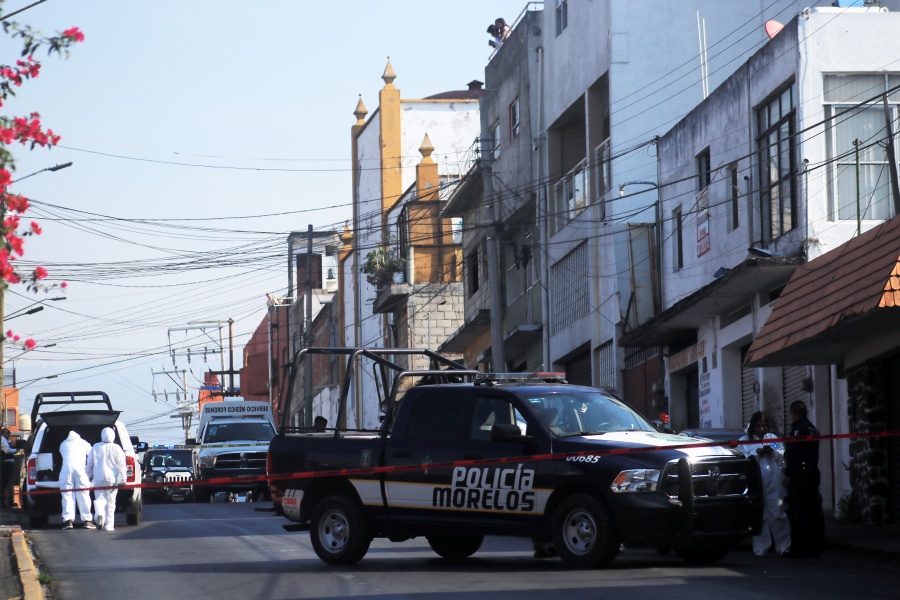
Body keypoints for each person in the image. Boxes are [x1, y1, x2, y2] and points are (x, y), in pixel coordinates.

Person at [737, 412, 790, 556]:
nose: (761, 429)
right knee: (760, 515)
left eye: (764, 426)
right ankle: (761, 547)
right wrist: (756, 453)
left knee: (777, 513)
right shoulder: (744, 441)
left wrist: (772, 452)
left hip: (773, 480)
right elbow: (741, 459)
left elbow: (781, 457)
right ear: (753, 426)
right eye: (759, 426)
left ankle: (783, 546)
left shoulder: (773, 439)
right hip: (756, 481)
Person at [782, 400, 825, 558]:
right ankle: (815, 545)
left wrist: (788, 474)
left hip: (801, 475)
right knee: (814, 509)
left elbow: (794, 455)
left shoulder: (797, 431)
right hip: (813, 472)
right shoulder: (813, 429)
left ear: (793, 413)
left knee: (801, 511)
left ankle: (803, 546)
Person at [86, 427, 126, 531]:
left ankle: (100, 514)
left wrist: (89, 475)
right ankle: (109, 525)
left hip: (98, 478)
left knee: (100, 499)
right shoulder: (117, 448)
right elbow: (121, 465)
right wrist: (123, 479)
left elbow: (89, 463)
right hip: (112, 479)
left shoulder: (95, 447)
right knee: (111, 502)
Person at [59, 430, 95, 530]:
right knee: (83, 494)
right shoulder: (84, 443)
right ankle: (87, 521)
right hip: (81, 470)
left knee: (67, 494)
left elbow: (62, 454)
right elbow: (92, 456)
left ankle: (68, 521)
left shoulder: (63, 444)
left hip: (66, 470)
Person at [1, 428, 17, 508]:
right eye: (7, 433)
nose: (9, 435)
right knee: (4, 483)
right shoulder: (2, 439)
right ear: (3, 433)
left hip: (5, 462)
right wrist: (15, 450)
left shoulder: (5, 440)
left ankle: (4, 501)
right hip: (6, 463)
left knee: (4, 483)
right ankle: (3, 502)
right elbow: (7, 451)